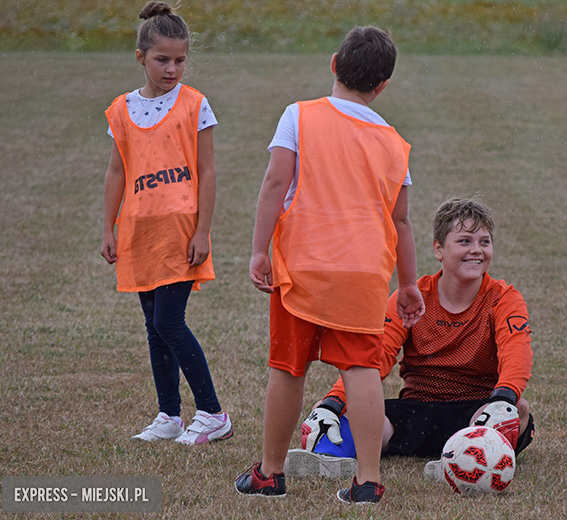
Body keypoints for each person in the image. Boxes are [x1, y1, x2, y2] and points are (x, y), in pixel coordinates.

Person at [233, 26, 425, 503]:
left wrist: (259, 250)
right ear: (382, 87)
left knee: (288, 367)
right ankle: (367, 481)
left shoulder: (299, 116)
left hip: (303, 269)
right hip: (363, 276)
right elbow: (401, 222)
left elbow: (276, 183)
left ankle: (270, 473)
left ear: (334, 64)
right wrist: (407, 284)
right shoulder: (395, 143)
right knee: (361, 370)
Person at [287, 198, 534, 481]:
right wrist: (334, 401)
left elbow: (516, 351)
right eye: (464, 241)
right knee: (361, 413)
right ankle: (328, 457)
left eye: (484, 242)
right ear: (438, 249)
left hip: (476, 409)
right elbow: (376, 356)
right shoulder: (413, 296)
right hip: (416, 409)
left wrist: (504, 397)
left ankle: (461, 465)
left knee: (518, 410)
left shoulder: (504, 298)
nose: (476, 250)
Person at [100, 1, 232, 445]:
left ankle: (213, 413)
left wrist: (202, 231)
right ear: (141, 58)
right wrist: (108, 227)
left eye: (179, 60)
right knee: (153, 324)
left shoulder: (195, 105)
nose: (172, 68)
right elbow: (117, 172)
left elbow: (208, 173)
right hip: (139, 230)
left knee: (169, 323)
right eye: (162, 60)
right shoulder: (121, 109)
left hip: (180, 231)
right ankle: (169, 415)